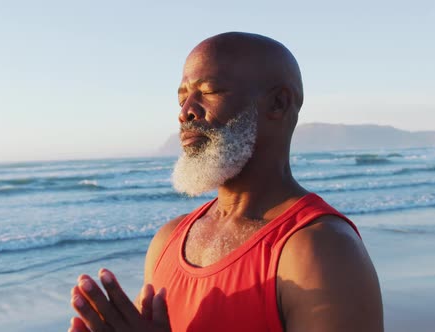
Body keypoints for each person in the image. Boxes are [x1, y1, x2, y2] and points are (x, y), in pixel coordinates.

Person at [68, 32, 383, 332]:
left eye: (208, 92)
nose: (186, 112)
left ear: (278, 104)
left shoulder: (321, 250)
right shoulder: (167, 241)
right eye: (182, 99)